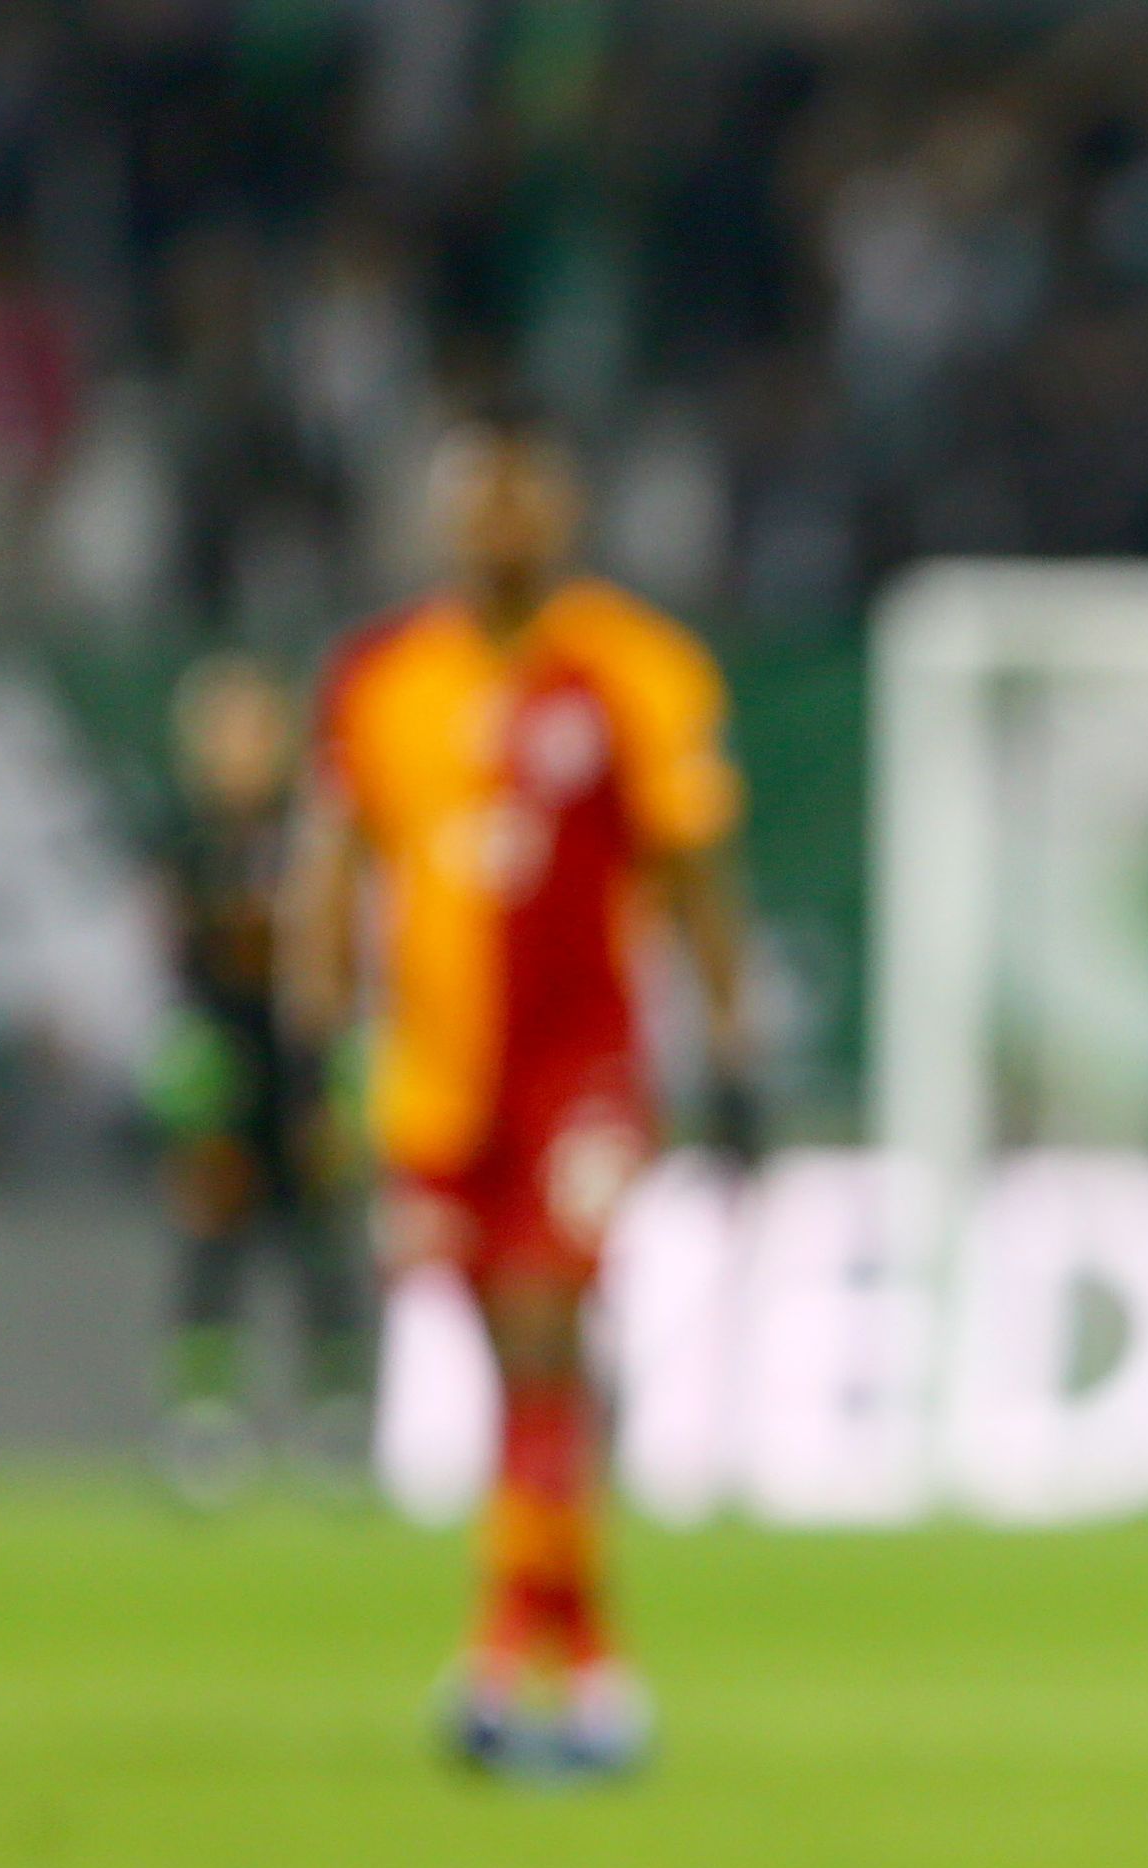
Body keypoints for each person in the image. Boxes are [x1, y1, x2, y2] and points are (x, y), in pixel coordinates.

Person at [286, 407, 761, 1778]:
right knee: (517, 1370)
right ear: (443, 517)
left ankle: (500, 1667)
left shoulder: (638, 673)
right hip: (437, 1082)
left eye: (524, 498)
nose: (502, 524)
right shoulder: (377, 679)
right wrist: (317, 1049)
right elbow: (331, 872)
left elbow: (694, 878)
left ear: (563, 514)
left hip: (583, 1069)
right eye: (478, 498)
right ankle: (595, 1672)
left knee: (547, 1332)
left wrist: (727, 1050)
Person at [147, 649, 366, 1505]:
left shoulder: (318, 831)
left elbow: (349, 944)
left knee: (322, 1238)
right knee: (212, 1237)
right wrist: (181, 1060)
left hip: (303, 1059)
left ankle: (338, 1413)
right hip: (220, 1063)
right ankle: (205, 1418)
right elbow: (166, 957)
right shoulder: (183, 840)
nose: (237, 752)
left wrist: (344, 1062)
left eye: (253, 732)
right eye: (221, 735)